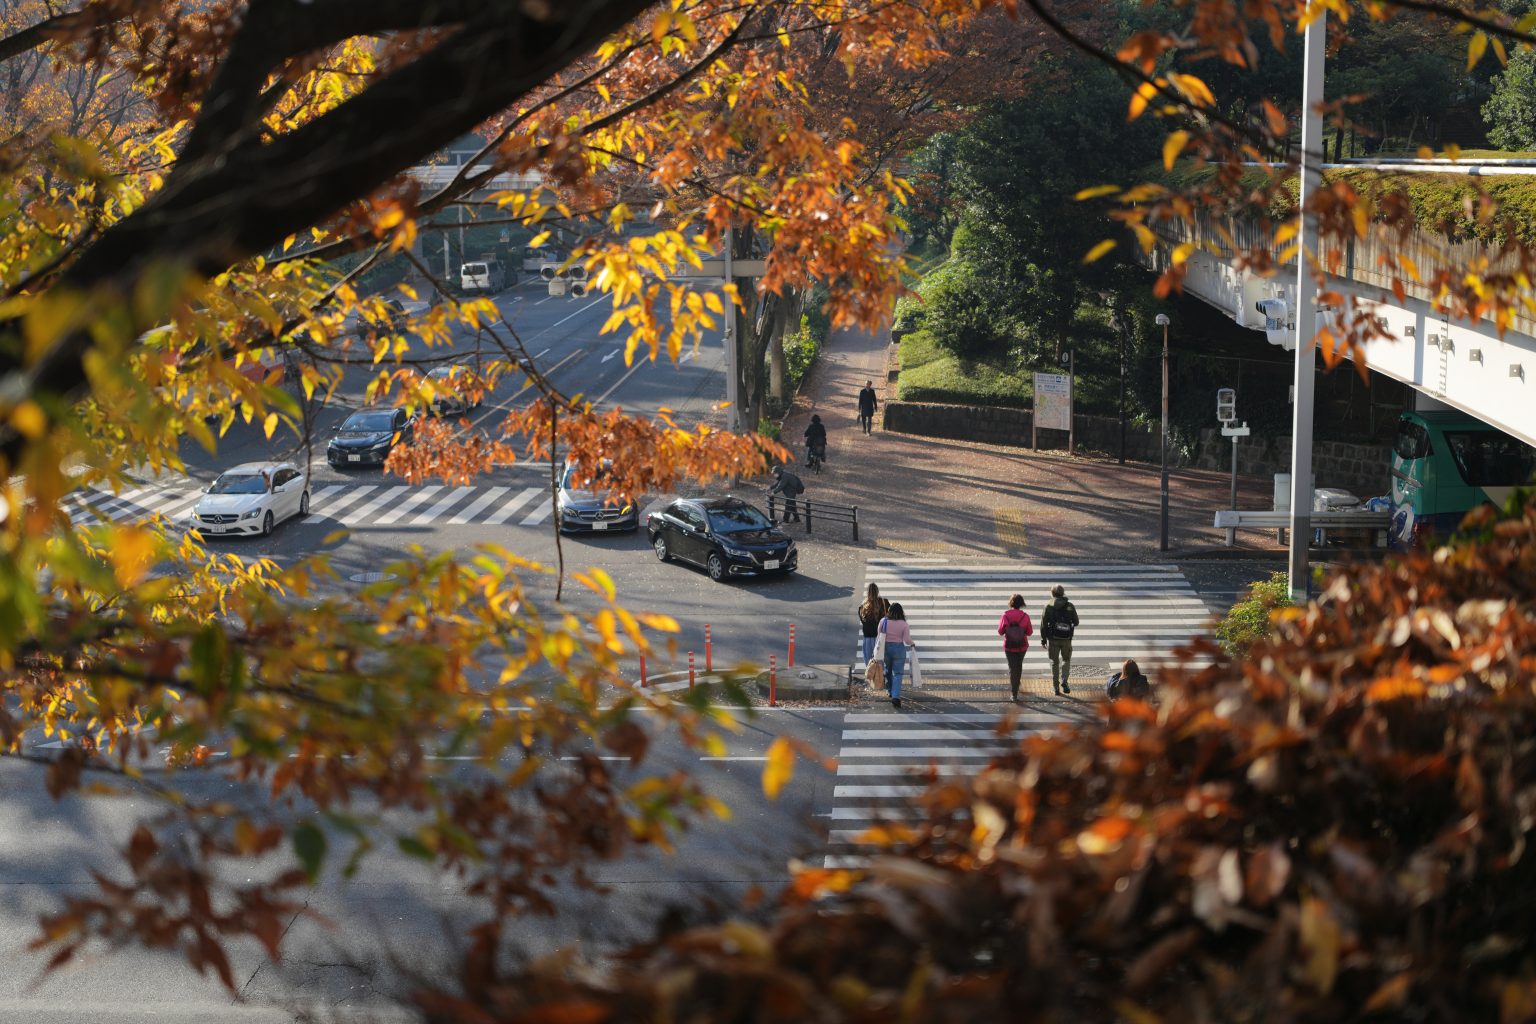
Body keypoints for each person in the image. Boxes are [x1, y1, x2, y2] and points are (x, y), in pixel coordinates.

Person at [1041, 583, 1080, 696]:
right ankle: (1065, 682)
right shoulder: (1070, 606)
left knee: (1054, 662)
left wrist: (1043, 639)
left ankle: (1055, 686)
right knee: (1066, 660)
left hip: (1052, 638)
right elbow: (1076, 622)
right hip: (1066, 639)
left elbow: (1043, 624)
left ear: (1052, 593)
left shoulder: (1048, 606)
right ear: (1063, 593)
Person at [996, 594, 1033, 702]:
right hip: (1022, 646)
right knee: (1019, 665)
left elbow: (1000, 631)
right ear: (1021, 603)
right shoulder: (1025, 616)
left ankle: (1014, 693)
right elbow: (1029, 632)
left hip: (1009, 646)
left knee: (1012, 668)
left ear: (1011, 603)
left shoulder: (1005, 615)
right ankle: (1017, 682)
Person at [878, 602, 913, 709]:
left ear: (889, 611)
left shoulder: (883, 621)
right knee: (898, 673)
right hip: (898, 649)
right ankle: (896, 697)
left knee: (888, 670)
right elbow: (907, 640)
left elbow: (879, 637)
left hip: (886, 649)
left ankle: (889, 691)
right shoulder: (904, 624)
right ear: (901, 612)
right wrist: (912, 643)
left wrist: (876, 650)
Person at [857, 583, 889, 665]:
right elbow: (889, 617)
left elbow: (862, 621)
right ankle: (880, 677)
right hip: (880, 638)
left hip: (868, 638)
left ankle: (871, 677)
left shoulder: (863, 606)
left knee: (869, 664)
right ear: (877, 591)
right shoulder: (884, 603)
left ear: (868, 593)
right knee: (880, 663)